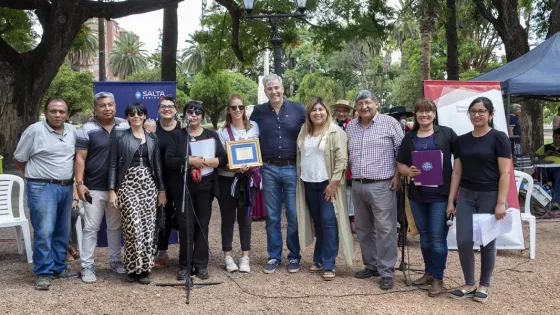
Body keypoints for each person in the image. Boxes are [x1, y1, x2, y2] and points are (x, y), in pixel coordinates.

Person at [447, 96, 511, 303]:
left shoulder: (499, 138)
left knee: (487, 242)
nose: (477, 114)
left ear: (490, 115)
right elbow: (456, 173)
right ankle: (469, 283)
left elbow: (505, 173)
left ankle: (484, 284)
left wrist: (500, 202)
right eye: (473, 111)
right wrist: (451, 201)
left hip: (490, 195)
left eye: (482, 111)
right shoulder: (461, 140)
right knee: (463, 240)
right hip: (466, 195)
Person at [14, 97, 78, 290]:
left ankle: (59, 267)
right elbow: (19, 158)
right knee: (44, 231)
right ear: (46, 111)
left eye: (61, 111)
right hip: (42, 188)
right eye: (53, 111)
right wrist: (33, 178)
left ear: (67, 114)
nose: (57, 115)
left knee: (62, 230)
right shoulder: (34, 131)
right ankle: (43, 272)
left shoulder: (73, 131)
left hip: (66, 187)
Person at [396, 98, 458, 296]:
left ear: (434, 113)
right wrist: (408, 171)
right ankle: (428, 272)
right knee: (424, 237)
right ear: (416, 114)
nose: (424, 115)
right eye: (420, 112)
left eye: (428, 111)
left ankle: (438, 279)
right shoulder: (410, 138)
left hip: (440, 195)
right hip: (417, 195)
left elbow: (461, 159)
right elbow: (400, 164)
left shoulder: (446, 134)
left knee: (438, 238)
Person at [347, 90, 404, 290]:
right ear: (356, 107)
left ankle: (387, 271)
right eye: (360, 103)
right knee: (363, 228)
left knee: (385, 229)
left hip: (383, 184)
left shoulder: (390, 123)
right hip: (357, 184)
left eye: (368, 102)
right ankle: (371, 265)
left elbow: (402, 152)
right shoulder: (350, 127)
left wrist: (397, 176)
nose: (364, 107)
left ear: (377, 103)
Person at [250, 73, 306, 274]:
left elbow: (314, 129)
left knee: (293, 214)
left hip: (292, 167)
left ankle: (294, 256)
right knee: (272, 216)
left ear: (283, 88)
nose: (273, 91)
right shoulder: (257, 112)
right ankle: (274, 256)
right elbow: (247, 134)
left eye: (276, 88)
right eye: (269, 89)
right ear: (265, 92)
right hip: (269, 167)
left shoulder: (298, 109)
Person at [166, 101, 227, 280]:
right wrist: (189, 161)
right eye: (190, 112)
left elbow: (222, 158)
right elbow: (169, 160)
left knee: (202, 224)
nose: (194, 115)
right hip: (183, 186)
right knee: (185, 225)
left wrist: (208, 162)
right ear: (184, 115)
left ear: (202, 115)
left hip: (205, 186)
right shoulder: (178, 136)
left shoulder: (211, 135)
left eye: (198, 112)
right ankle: (185, 264)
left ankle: (201, 265)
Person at [107, 102, 166, 284]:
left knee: (148, 229)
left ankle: (144, 270)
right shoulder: (119, 137)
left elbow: (157, 166)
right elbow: (113, 165)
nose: (136, 116)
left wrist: (161, 190)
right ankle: (132, 266)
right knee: (133, 226)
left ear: (145, 116)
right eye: (132, 114)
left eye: (140, 113)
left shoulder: (153, 138)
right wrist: (112, 190)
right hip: (127, 185)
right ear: (127, 117)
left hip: (148, 185)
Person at [296, 97, 355, 281]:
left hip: (327, 184)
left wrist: (334, 183)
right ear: (309, 113)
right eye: (314, 110)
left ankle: (329, 263)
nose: (317, 113)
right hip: (308, 182)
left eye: (321, 109)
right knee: (318, 223)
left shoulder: (335, 132)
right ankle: (319, 259)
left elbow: (342, 160)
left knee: (329, 222)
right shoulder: (304, 131)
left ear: (327, 112)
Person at [75, 92, 129, 283]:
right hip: (94, 187)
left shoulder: (125, 125)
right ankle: (87, 266)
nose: (107, 108)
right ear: (95, 109)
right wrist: (79, 184)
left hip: (118, 187)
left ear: (115, 106)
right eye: (102, 105)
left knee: (115, 227)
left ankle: (115, 261)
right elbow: (80, 158)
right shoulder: (86, 129)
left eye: (110, 105)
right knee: (91, 228)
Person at [217, 94, 260, 273]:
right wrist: (233, 167)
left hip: (249, 180)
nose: (237, 110)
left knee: (245, 218)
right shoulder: (222, 132)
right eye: (233, 107)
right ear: (228, 110)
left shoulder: (254, 128)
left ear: (244, 109)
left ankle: (245, 256)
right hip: (228, 179)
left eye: (240, 107)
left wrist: (251, 164)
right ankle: (227, 255)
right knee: (228, 218)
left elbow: (259, 151)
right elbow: (220, 158)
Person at [153, 95, 182, 268]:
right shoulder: (151, 129)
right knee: (162, 216)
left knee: (181, 216)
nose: (167, 109)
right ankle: (161, 251)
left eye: (170, 106)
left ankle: (186, 252)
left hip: (179, 179)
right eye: (163, 106)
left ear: (175, 110)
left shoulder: (183, 128)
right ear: (158, 110)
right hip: (158, 180)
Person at [331, 99, 356, 234]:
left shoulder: (352, 124)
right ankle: (337, 221)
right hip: (334, 162)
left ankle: (351, 219)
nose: (342, 113)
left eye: (344, 111)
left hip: (349, 163)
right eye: (339, 111)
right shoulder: (330, 125)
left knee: (350, 193)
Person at [535, 128, 560, 207]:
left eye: (559, 138)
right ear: (552, 137)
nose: (557, 140)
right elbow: (536, 156)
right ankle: (539, 199)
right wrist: (545, 155)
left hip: (558, 169)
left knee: (558, 177)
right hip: (545, 169)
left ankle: (555, 201)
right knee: (536, 176)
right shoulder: (546, 147)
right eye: (555, 138)